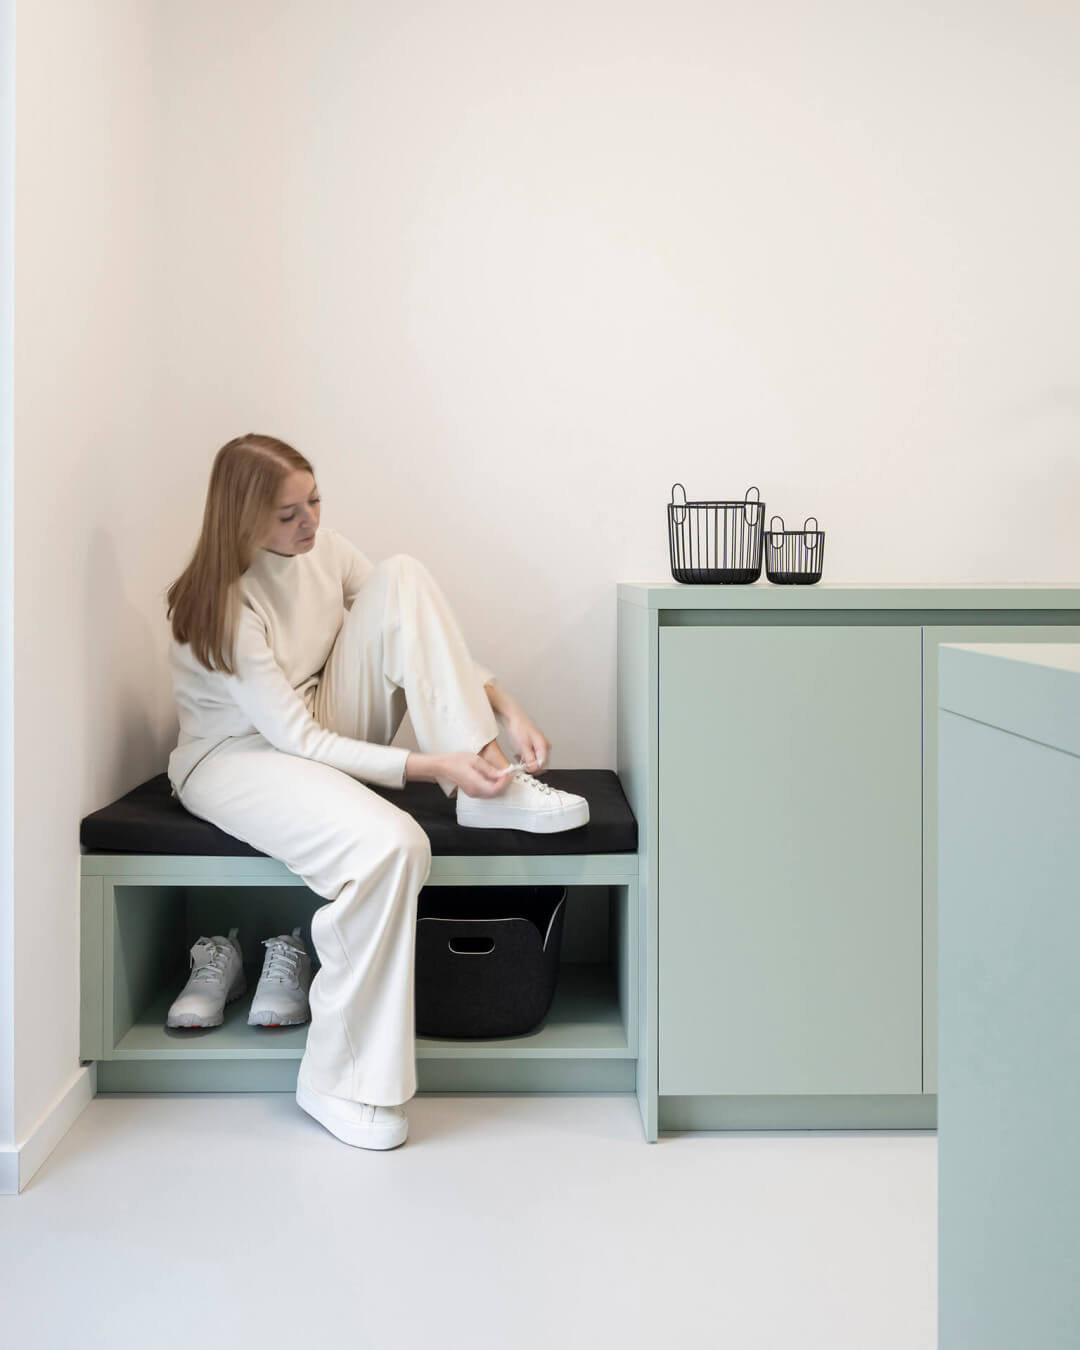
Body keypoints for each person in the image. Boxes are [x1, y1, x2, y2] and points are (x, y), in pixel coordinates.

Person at [164, 433, 589, 1150]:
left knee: (402, 574)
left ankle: (490, 785)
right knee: (395, 845)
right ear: (241, 521)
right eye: (287, 514)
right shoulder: (225, 605)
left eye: (315, 500)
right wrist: (433, 767)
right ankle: (335, 1079)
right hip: (238, 757)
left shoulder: (319, 551)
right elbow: (299, 742)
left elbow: (414, 624)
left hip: (315, 719)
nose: (311, 524)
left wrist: (503, 710)